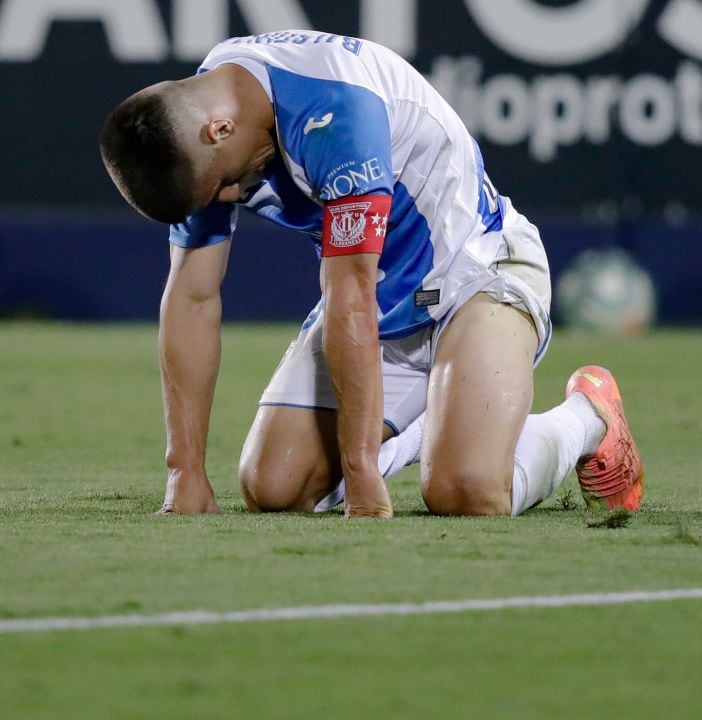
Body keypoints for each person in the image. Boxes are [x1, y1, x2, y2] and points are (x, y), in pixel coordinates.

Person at [99, 30, 643, 518]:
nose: (226, 198)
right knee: (275, 487)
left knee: (466, 493)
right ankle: (456, 415)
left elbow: (350, 295)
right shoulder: (202, 123)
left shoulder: (336, 109)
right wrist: (184, 471)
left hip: (474, 280)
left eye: (219, 185)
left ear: (219, 130)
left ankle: (585, 418)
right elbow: (192, 297)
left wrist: (361, 472)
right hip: (378, 307)